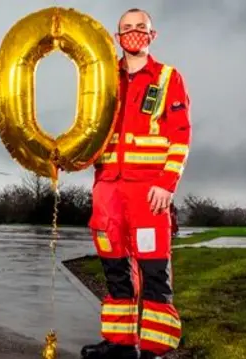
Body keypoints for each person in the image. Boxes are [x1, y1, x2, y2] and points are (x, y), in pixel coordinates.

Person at [81, 8, 191, 359]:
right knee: (114, 267)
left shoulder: (168, 77)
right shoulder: (102, 79)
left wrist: (167, 183)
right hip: (108, 190)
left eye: (140, 28)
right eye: (126, 29)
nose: (133, 34)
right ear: (116, 37)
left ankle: (157, 348)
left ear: (152, 35)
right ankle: (120, 343)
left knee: (153, 268)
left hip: (148, 193)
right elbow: (88, 131)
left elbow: (181, 135)